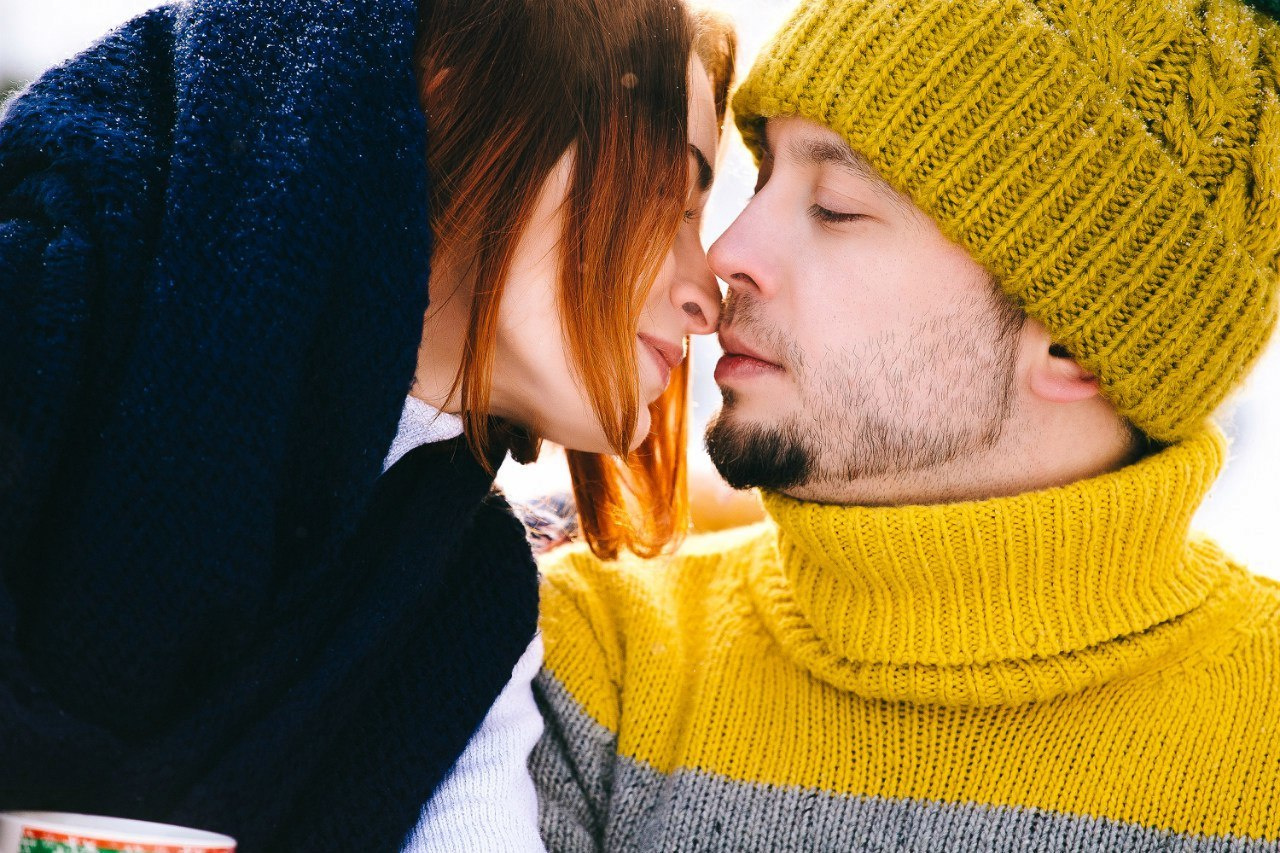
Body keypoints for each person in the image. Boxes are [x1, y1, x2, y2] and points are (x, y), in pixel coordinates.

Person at [529, 0, 1280, 848]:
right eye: (763, 177)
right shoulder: (596, 659)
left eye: (836, 207)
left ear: (1074, 344)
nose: (726, 252)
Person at [0, 2, 731, 852]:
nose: (707, 298)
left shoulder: (460, 602)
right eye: (666, 197)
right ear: (454, 104)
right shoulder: (40, 300)